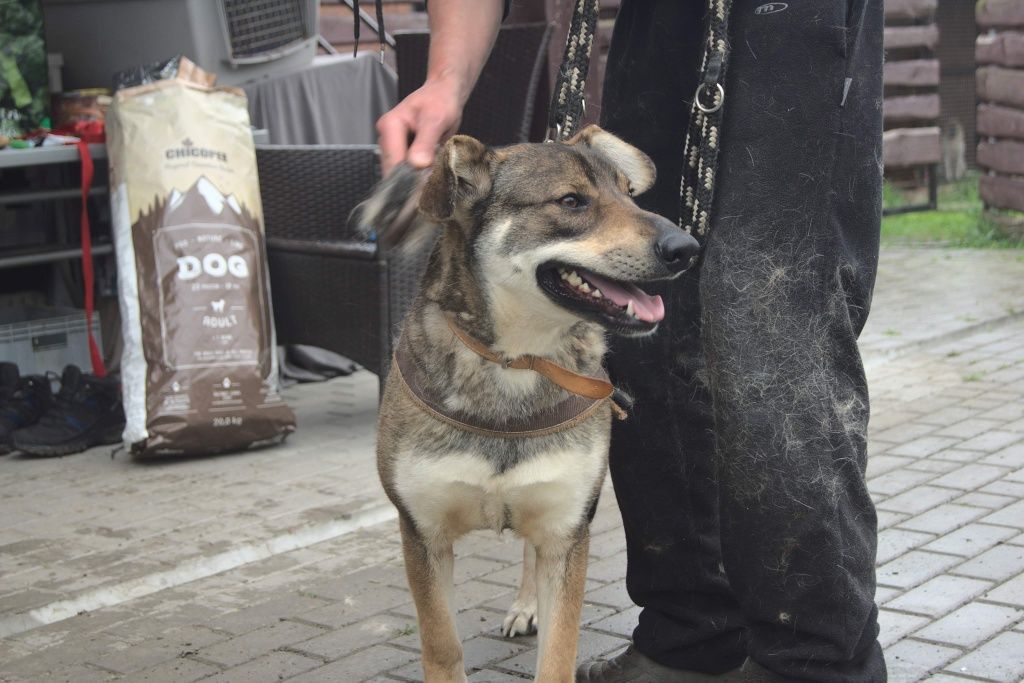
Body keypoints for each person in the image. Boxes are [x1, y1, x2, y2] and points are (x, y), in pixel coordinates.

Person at [376, 1, 887, 680]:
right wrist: (446, 79)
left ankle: (818, 661)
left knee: (774, 315)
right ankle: (690, 635)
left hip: (792, 19)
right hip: (657, 18)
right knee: (649, 337)